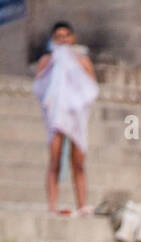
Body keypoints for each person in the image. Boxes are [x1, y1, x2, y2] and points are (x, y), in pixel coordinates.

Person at [33, 20, 98, 215]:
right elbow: (40, 87)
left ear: (72, 38)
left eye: (65, 36)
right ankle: (52, 205)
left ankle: (81, 203)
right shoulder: (47, 61)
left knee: (78, 161)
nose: (62, 40)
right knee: (54, 159)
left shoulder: (82, 61)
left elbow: (91, 88)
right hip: (56, 116)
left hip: (76, 116)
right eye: (58, 37)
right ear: (53, 40)